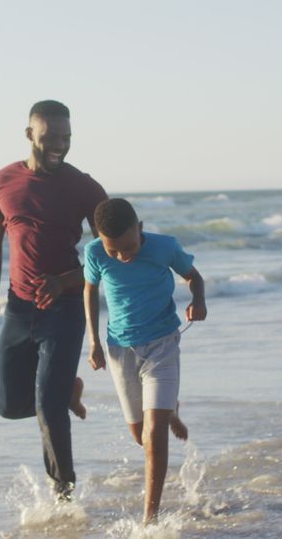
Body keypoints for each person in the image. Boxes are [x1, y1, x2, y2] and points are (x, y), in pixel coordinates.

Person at [0, 100, 108, 501]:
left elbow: (113, 249)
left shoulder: (83, 186)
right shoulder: (3, 180)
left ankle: (63, 494)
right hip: (18, 307)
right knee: (7, 404)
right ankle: (66, 391)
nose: (59, 144)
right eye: (51, 136)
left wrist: (66, 280)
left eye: (66, 137)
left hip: (65, 307)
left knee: (48, 408)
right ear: (29, 134)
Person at [84, 198, 205, 524]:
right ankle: (169, 408)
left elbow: (194, 276)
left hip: (163, 345)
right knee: (140, 436)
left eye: (130, 247)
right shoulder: (95, 253)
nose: (124, 256)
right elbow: (90, 291)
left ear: (140, 229)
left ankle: (149, 519)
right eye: (115, 251)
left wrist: (199, 300)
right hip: (120, 350)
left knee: (154, 434)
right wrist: (93, 341)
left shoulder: (165, 247)